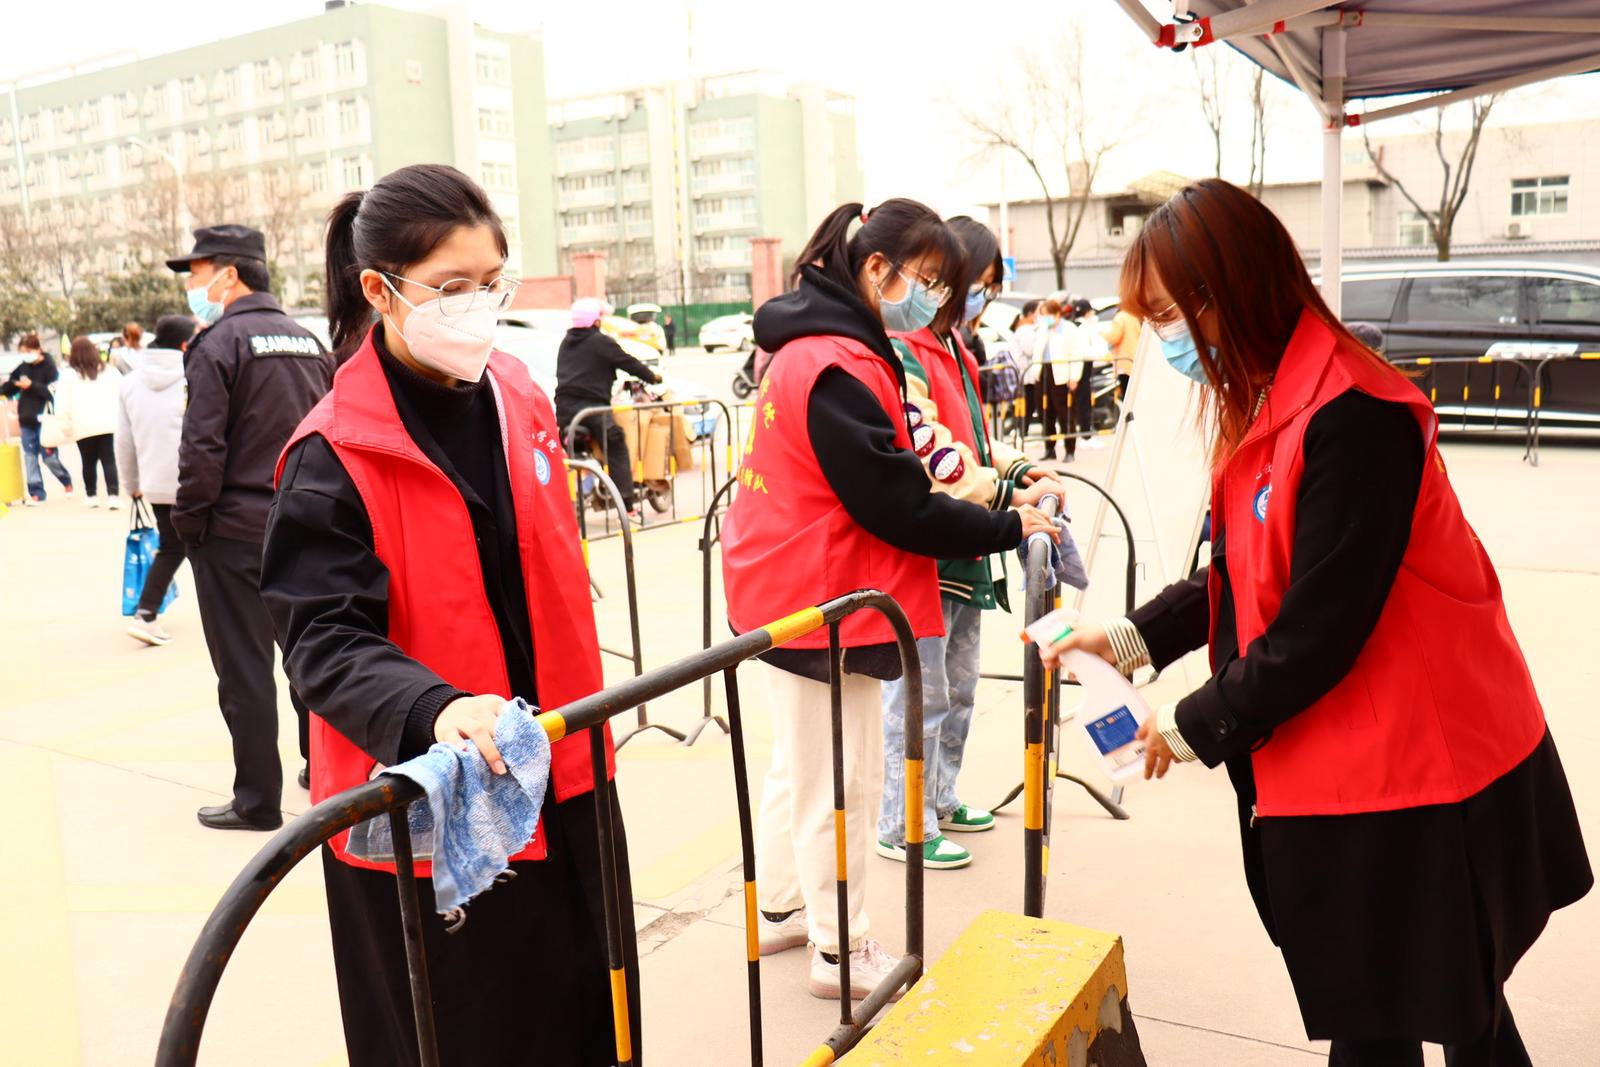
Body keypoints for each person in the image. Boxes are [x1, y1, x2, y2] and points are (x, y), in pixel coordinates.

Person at [1041, 179, 1591, 1067]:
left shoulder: (1353, 412)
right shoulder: (1273, 398)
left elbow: (1320, 626)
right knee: (1408, 1009)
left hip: (1428, 771)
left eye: (1168, 316)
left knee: (1439, 1013)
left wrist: (1185, 728)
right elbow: (1240, 570)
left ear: (1226, 294)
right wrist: (1130, 637)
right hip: (1358, 763)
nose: (1161, 341)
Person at [261, 162, 638, 1067]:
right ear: (380, 290)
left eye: (493, 282)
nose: (478, 307)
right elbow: (322, 638)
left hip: (563, 767)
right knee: (464, 1034)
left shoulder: (517, 393)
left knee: (594, 1013)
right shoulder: (332, 453)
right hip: (434, 798)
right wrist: (435, 705)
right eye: (452, 287)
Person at [722, 198, 1059, 1001]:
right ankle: (841, 949)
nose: (935, 299)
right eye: (929, 280)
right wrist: (1005, 525)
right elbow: (899, 502)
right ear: (877, 268)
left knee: (800, 767)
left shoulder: (814, 348)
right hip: (821, 594)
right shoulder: (838, 364)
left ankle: (781, 908)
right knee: (842, 780)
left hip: (783, 583)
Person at [876, 216, 1063, 872]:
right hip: (930, 547)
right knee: (919, 694)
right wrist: (1003, 491)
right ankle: (903, 822)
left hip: (966, 546)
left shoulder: (953, 346)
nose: (977, 298)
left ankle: (941, 797)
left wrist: (1016, 468)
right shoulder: (902, 351)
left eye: (987, 286)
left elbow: (972, 438)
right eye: (970, 284)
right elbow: (933, 451)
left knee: (958, 686)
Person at [167, 223, 335, 829]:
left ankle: (258, 801)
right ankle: (326, 773)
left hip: (235, 530)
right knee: (309, 658)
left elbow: (202, 449)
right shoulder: (309, 342)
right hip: (304, 524)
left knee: (245, 670)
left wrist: (189, 523)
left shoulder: (218, 345)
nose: (192, 285)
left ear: (229, 274)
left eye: (196, 272)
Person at [117, 314, 198, 646]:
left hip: (156, 483)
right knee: (210, 550)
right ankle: (148, 612)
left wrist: (131, 484)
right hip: (198, 479)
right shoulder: (195, 373)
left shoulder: (130, 381)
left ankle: (146, 612)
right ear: (185, 344)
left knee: (172, 546)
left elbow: (124, 440)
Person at [554, 297, 662, 518]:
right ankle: (627, 505)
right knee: (616, 444)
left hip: (565, 412)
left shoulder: (566, 342)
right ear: (596, 321)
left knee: (575, 449)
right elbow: (628, 362)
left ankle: (584, 475)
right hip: (593, 410)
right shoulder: (600, 341)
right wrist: (652, 377)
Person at [2, 332, 74, 504]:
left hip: (45, 420)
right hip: (26, 418)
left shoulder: (50, 367)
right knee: (30, 457)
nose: (25, 355)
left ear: (37, 349)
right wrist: (13, 384)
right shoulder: (23, 367)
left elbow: (52, 392)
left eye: (27, 351)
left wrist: (32, 385)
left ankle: (65, 479)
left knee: (49, 458)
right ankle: (36, 492)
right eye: (22, 352)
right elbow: (10, 387)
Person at [58, 336, 123, 508]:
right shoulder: (109, 371)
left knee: (88, 461)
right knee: (109, 460)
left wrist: (64, 422)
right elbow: (122, 393)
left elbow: (62, 402)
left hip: (82, 424)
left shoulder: (68, 375)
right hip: (107, 422)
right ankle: (113, 495)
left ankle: (91, 495)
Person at [1103, 303, 1142, 401]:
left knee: (1127, 395)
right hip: (1134, 357)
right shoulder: (1133, 316)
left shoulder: (1120, 317)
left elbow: (1115, 337)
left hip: (1124, 362)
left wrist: (1103, 335)